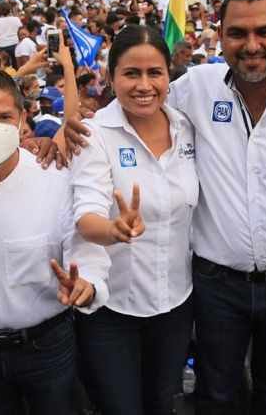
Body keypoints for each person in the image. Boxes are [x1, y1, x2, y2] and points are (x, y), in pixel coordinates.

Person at [65, 0, 266, 415]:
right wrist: (68, 133)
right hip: (215, 284)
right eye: (237, 33)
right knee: (215, 394)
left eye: (265, 31)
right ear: (220, 34)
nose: (251, 45)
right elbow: (136, 98)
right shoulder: (194, 87)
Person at [0, 68, 109, 415]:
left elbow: (83, 246)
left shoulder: (55, 177)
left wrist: (87, 284)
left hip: (47, 347)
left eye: (3, 117)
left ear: (21, 118)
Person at [70, 25, 197, 415]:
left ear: (168, 76)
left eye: (154, 73)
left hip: (176, 304)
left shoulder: (187, 128)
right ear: (110, 77)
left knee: (162, 404)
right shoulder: (93, 135)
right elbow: (85, 214)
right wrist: (112, 230)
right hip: (113, 311)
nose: (144, 85)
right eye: (131, 73)